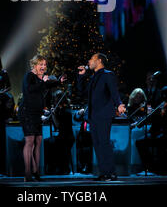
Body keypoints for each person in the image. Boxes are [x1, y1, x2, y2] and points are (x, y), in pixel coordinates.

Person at [77, 53, 126, 181]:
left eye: (92, 59)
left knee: (104, 143)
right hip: (93, 115)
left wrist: (119, 104)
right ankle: (104, 172)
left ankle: (111, 173)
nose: (89, 61)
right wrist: (81, 77)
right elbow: (82, 92)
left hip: (104, 114)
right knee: (97, 144)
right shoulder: (93, 77)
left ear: (99, 61)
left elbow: (114, 91)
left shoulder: (107, 75)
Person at [18, 55, 66, 182]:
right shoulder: (29, 76)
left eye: (44, 64)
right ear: (34, 65)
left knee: (38, 140)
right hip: (27, 112)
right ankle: (27, 173)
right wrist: (43, 82)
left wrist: (59, 80)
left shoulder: (41, 79)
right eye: (41, 64)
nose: (43, 67)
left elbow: (50, 83)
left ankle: (36, 171)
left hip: (37, 113)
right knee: (30, 141)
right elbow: (30, 89)